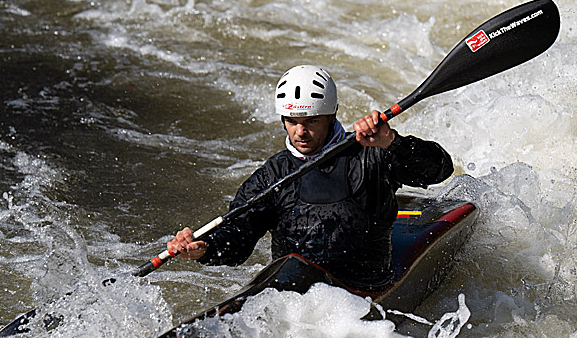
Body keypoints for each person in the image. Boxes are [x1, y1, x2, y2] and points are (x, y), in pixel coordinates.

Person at [166, 65, 453, 289]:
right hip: (295, 296)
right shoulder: (272, 175)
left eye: (311, 121)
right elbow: (238, 236)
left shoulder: (371, 152)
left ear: (332, 116)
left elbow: (440, 169)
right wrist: (204, 248)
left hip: (363, 288)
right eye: (292, 122)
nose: (300, 132)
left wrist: (393, 141)